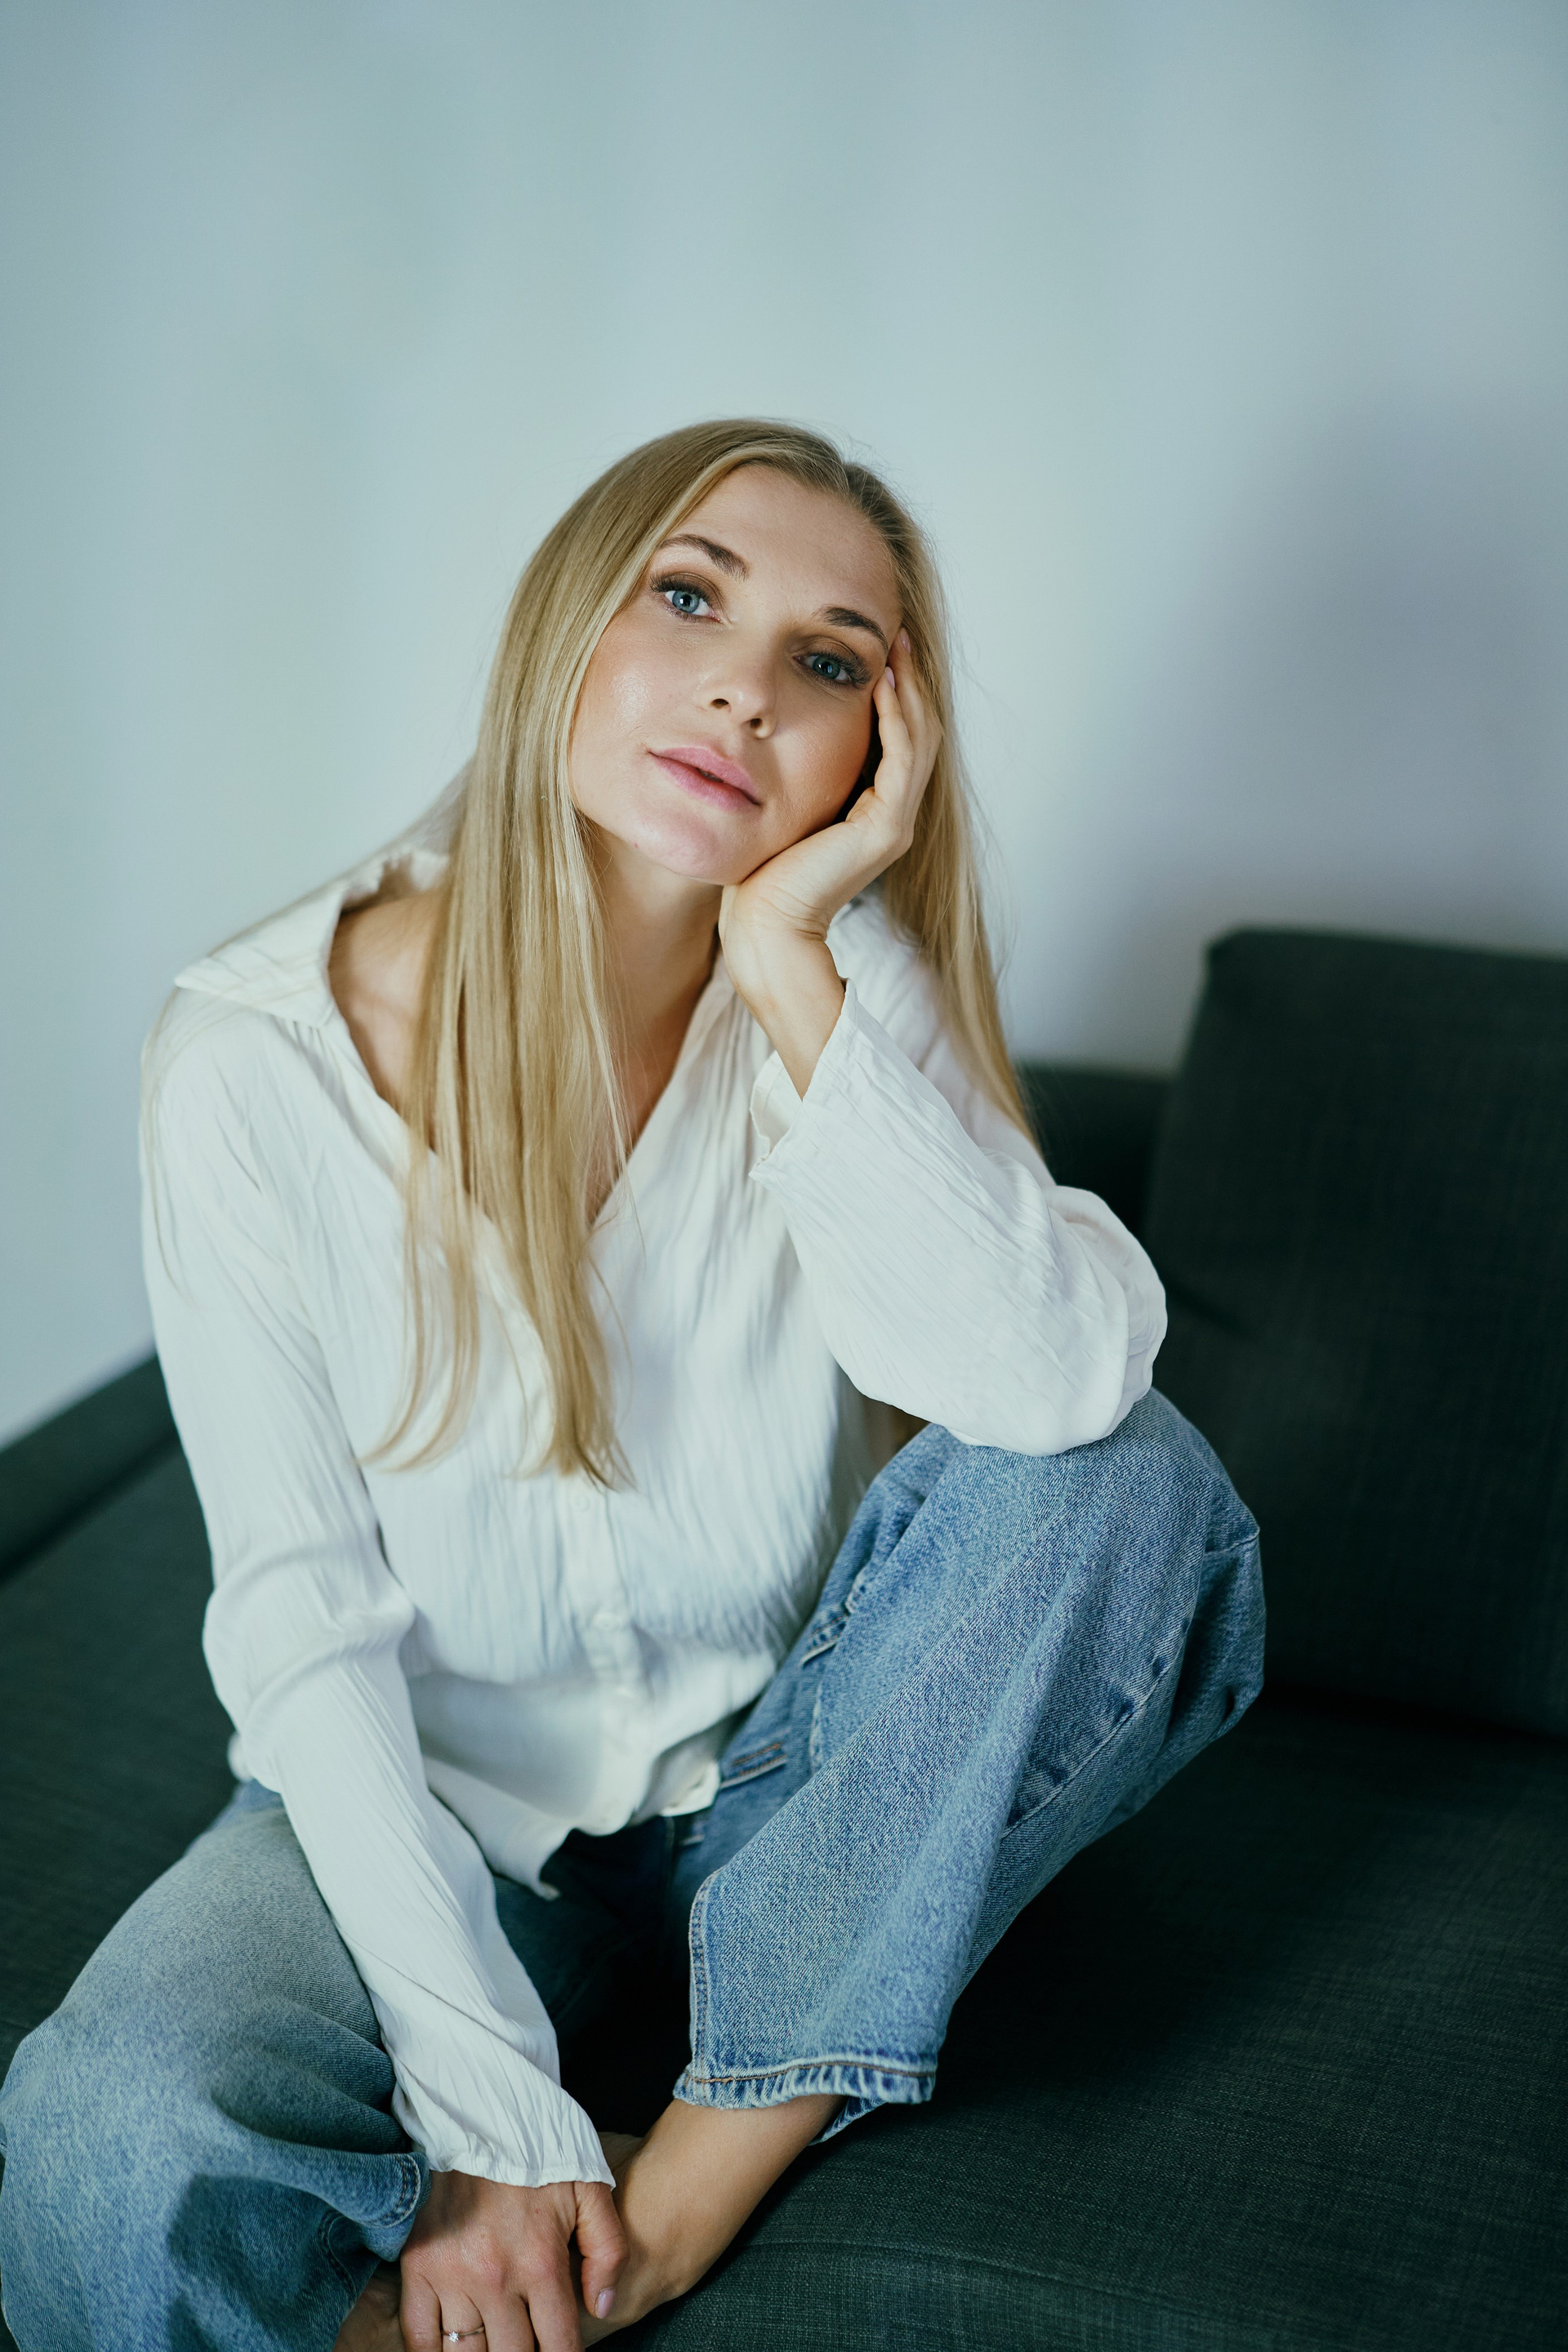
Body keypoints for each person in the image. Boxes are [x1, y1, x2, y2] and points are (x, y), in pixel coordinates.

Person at [0, 419, 1263, 2352]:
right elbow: (302, 1624)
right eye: (690, 596)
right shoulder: (252, 1060)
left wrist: (793, 956)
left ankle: (677, 2202)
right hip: (447, 1805)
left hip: (803, 1796)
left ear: (877, 753)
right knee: (109, 2138)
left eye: (828, 661)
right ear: (566, 625)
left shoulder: (841, 992)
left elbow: (1067, 1385)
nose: (747, 690)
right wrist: (492, 2113)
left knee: (1129, 1476)